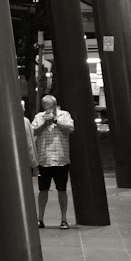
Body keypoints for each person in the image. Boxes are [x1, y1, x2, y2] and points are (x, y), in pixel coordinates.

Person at [31, 93, 73, 228]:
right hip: (44, 159)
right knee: (42, 190)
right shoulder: (39, 117)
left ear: (55, 105)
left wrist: (56, 121)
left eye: (49, 106)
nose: (47, 109)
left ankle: (64, 219)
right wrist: (44, 124)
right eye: (45, 106)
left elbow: (70, 129)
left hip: (61, 159)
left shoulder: (64, 115)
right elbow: (33, 132)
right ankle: (40, 218)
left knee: (62, 190)